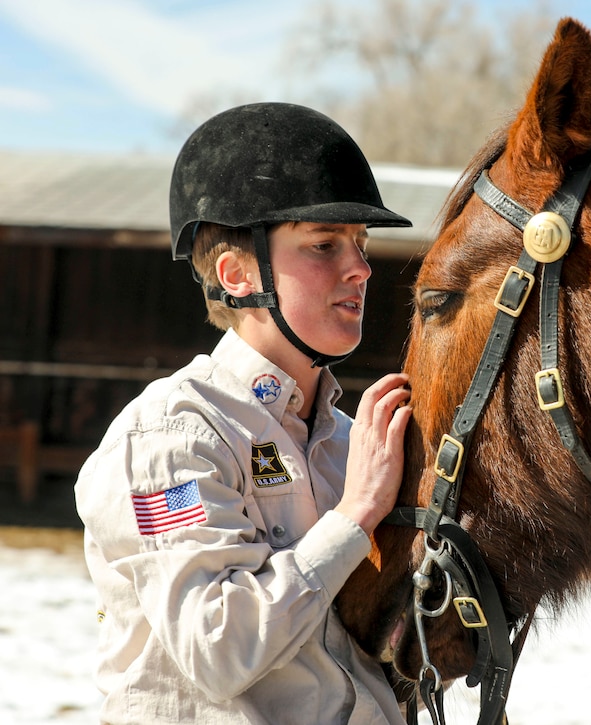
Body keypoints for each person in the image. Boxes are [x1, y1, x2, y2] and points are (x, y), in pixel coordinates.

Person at [74, 102, 414, 724]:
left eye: (360, 245)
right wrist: (357, 514)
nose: (360, 268)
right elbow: (218, 650)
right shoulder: (172, 437)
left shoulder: (351, 444)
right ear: (236, 275)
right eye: (323, 245)